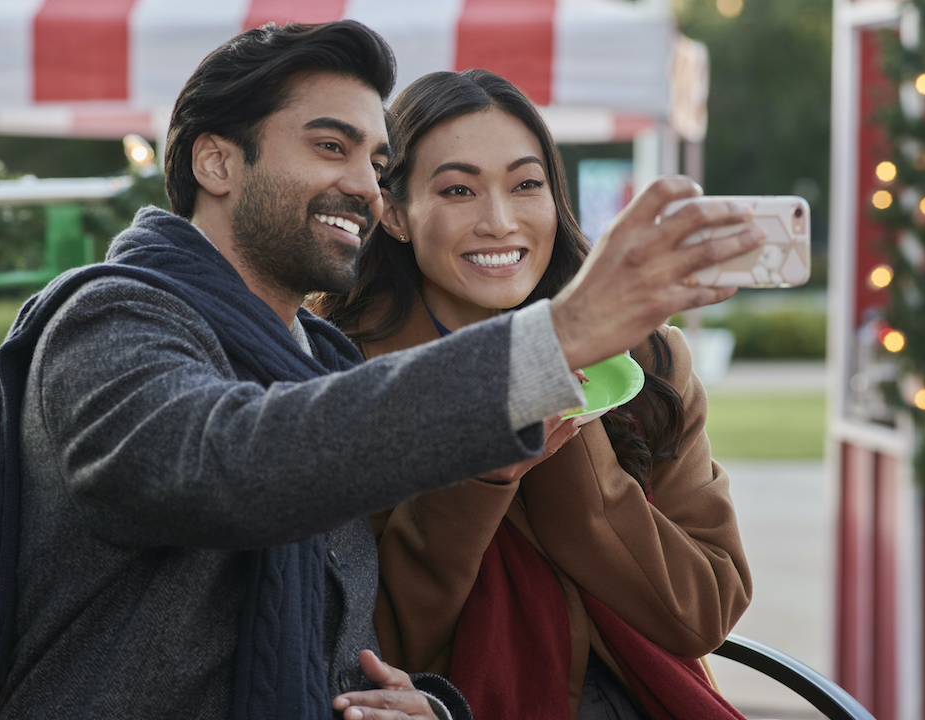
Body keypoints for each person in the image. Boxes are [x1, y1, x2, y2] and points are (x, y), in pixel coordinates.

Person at [0, 20, 765, 720]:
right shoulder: (113, 317)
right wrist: (551, 345)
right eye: (331, 146)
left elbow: (355, 648)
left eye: (374, 161)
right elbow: (225, 462)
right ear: (216, 164)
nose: (362, 185)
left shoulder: (316, 356)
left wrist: (427, 705)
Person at [313, 70, 754, 720]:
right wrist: (483, 471)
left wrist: (564, 429)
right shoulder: (343, 375)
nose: (499, 221)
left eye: (526, 185)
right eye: (459, 190)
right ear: (398, 215)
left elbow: (702, 612)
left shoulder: (649, 358)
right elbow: (378, 645)